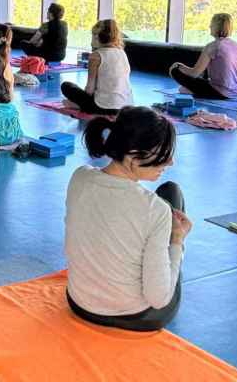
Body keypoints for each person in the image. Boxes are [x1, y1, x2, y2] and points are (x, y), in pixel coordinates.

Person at [66, 107, 190, 332]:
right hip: (134, 316)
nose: (170, 162)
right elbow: (159, 298)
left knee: (166, 194)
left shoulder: (80, 176)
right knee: (173, 194)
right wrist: (177, 241)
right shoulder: (156, 210)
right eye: (162, 154)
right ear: (133, 154)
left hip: (78, 302)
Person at [61, 19, 133, 115]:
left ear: (97, 36)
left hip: (102, 107)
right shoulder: (122, 53)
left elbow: (90, 88)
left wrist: (81, 101)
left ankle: (80, 106)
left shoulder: (95, 56)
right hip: (125, 107)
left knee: (66, 86)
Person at [169, 13, 237, 100]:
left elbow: (195, 73)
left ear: (216, 27)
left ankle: (195, 91)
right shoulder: (236, 45)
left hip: (220, 93)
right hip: (235, 91)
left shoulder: (212, 46)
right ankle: (196, 90)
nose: (209, 26)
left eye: (211, 24)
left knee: (175, 72)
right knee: (188, 86)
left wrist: (178, 65)